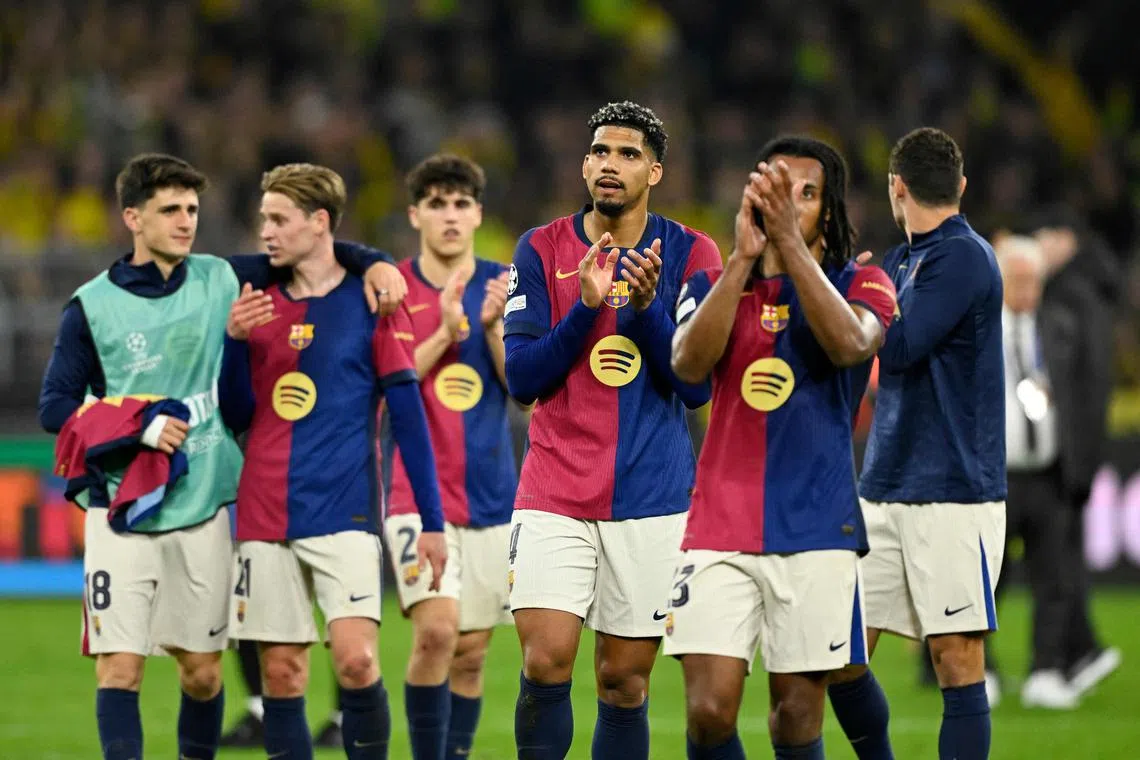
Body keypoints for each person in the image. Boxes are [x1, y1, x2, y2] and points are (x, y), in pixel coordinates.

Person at [36, 153, 402, 760]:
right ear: (132, 217)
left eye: (192, 210)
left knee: (203, 673)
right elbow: (55, 408)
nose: (185, 222)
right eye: (169, 210)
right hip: (119, 505)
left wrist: (378, 262)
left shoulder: (223, 279)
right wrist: (137, 428)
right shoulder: (91, 306)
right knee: (119, 669)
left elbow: (320, 250)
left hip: (205, 503)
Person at [502, 101, 721, 760]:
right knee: (546, 662)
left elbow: (694, 386)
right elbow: (522, 378)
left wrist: (649, 310)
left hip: (650, 497)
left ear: (654, 170)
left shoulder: (693, 252)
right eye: (600, 151)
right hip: (555, 492)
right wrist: (588, 309)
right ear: (583, 163)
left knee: (623, 682)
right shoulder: (541, 248)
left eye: (628, 155)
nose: (610, 164)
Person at [667, 137, 896, 760]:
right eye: (778, 187)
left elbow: (852, 343)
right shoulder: (713, 283)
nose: (790, 201)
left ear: (831, 209)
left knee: (795, 719)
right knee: (709, 712)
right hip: (718, 524)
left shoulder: (864, 280)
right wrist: (742, 260)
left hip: (817, 527)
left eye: (808, 192)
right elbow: (686, 363)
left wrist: (792, 252)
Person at [219, 162, 448, 759]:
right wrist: (233, 344)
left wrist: (432, 521)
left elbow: (408, 414)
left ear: (319, 223)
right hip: (264, 510)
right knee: (283, 676)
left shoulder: (373, 298)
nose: (265, 231)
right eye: (263, 218)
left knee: (355, 660)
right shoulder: (253, 297)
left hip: (344, 511)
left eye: (278, 218)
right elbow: (237, 413)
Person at [828, 128, 1006, 760]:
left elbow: (897, 347)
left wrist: (860, 295)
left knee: (955, 658)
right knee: (840, 649)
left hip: (953, 490)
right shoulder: (900, 264)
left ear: (896, 186)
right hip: (884, 485)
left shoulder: (964, 257)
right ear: (960, 184)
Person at [383, 153, 517, 758]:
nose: (451, 215)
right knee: (436, 633)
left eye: (461, 203)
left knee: (472, 653)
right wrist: (445, 331)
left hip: (491, 494)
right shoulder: (391, 288)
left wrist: (490, 327)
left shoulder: (505, 283)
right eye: (436, 203)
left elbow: (526, 389)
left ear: (478, 213)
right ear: (416, 215)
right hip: (417, 494)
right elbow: (384, 390)